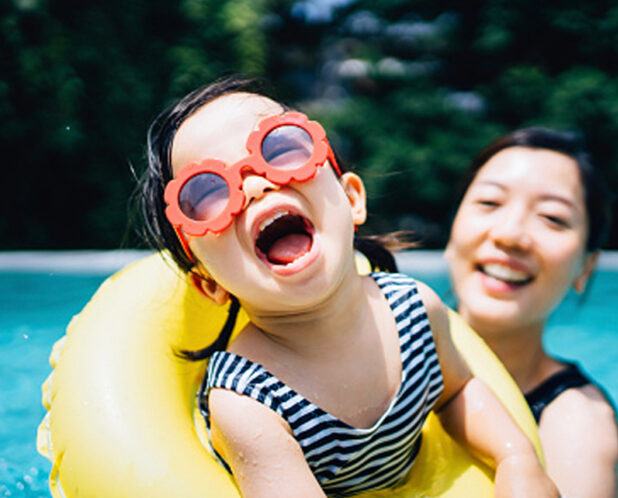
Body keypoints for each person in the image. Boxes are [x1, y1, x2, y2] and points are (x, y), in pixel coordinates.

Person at [137, 76, 557, 498]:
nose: (255, 185)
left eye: (279, 148)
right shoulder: (247, 400)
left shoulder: (415, 310)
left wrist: (514, 458)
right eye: (207, 191)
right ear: (210, 285)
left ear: (352, 199)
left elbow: (458, 393)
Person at [445, 127, 618, 497]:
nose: (510, 235)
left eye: (553, 218)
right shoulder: (377, 348)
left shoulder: (577, 424)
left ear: (586, 267)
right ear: (452, 232)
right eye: (489, 203)